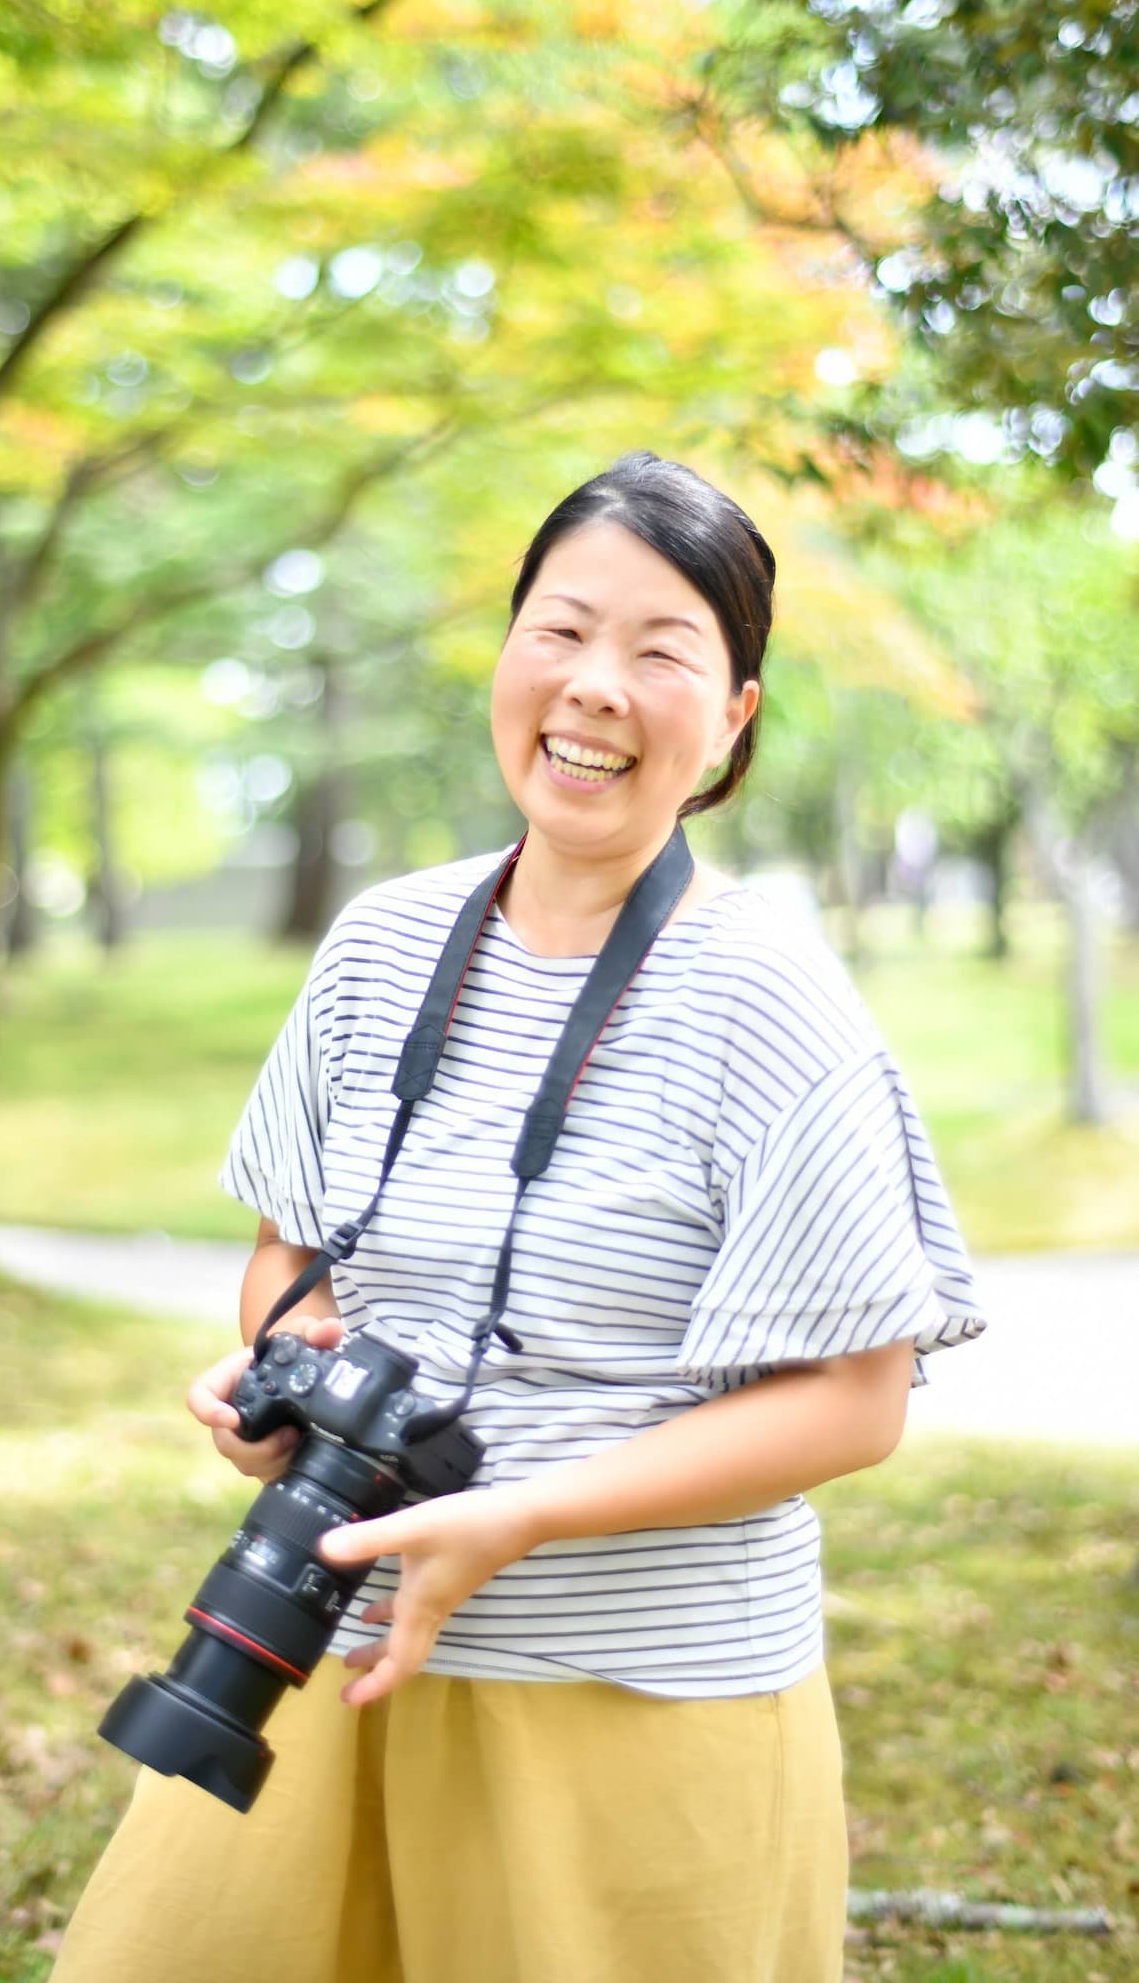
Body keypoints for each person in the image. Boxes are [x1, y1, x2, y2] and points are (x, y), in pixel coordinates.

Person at [51, 452, 985, 1983]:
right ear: (506, 653)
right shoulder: (379, 947)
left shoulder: (768, 996)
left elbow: (855, 1399)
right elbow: (296, 1249)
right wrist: (284, 1381)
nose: (593, 687)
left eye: (661, 651)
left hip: (637, 1694)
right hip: (331, 1652)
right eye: (558, 629)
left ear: (733, 715)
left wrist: (521, 1515)